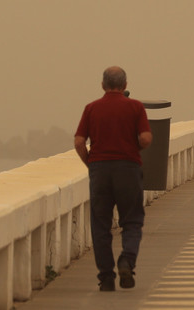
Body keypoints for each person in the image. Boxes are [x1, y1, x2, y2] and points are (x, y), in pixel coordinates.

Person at [74, 66, 152, 292]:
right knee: (132, 220)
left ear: (102, 85)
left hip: (100, 171)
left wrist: (91, 163)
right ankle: (127, 260)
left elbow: (79, 142)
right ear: (125, 85)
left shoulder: (91, 108)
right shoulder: (135, 107)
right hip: (128, 169)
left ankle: (106, 278)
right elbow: (146, 138)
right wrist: (133, 148)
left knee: (100, 225)